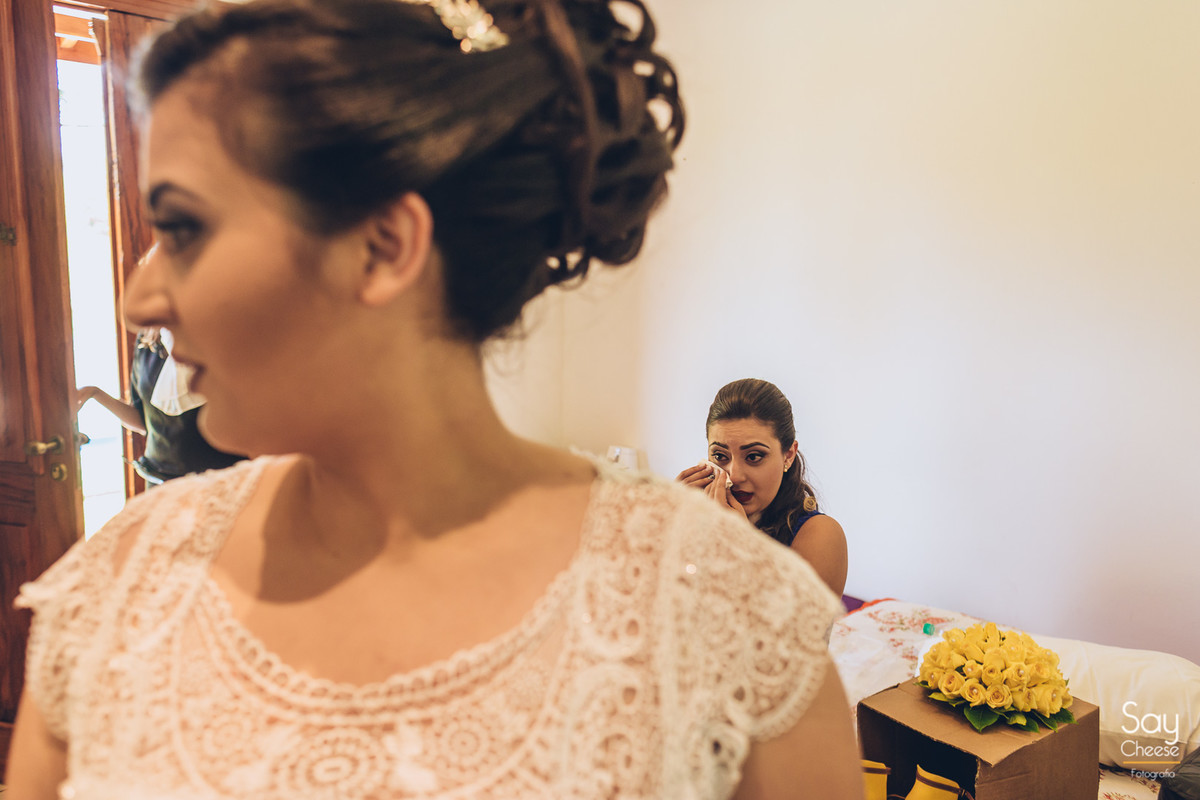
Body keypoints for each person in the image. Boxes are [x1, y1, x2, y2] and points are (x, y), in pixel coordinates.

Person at [7, 1, 864, 797]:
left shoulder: (737, 623)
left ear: (383, 246)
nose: (139, 300)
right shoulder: (112, 597)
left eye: (184, 228)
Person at [677, 379, 849, 597]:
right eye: (720, 456)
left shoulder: (821, 534)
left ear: (788, 455)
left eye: (754, 457)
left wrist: (738, 544)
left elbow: (785, 629)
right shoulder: (699, 519)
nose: (735, 475)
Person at [76, 326, 245, 483]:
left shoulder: (218, 336)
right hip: (159, 478)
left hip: (218, 478)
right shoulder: (146, 344)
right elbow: (142, 422)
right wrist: (95, 393)